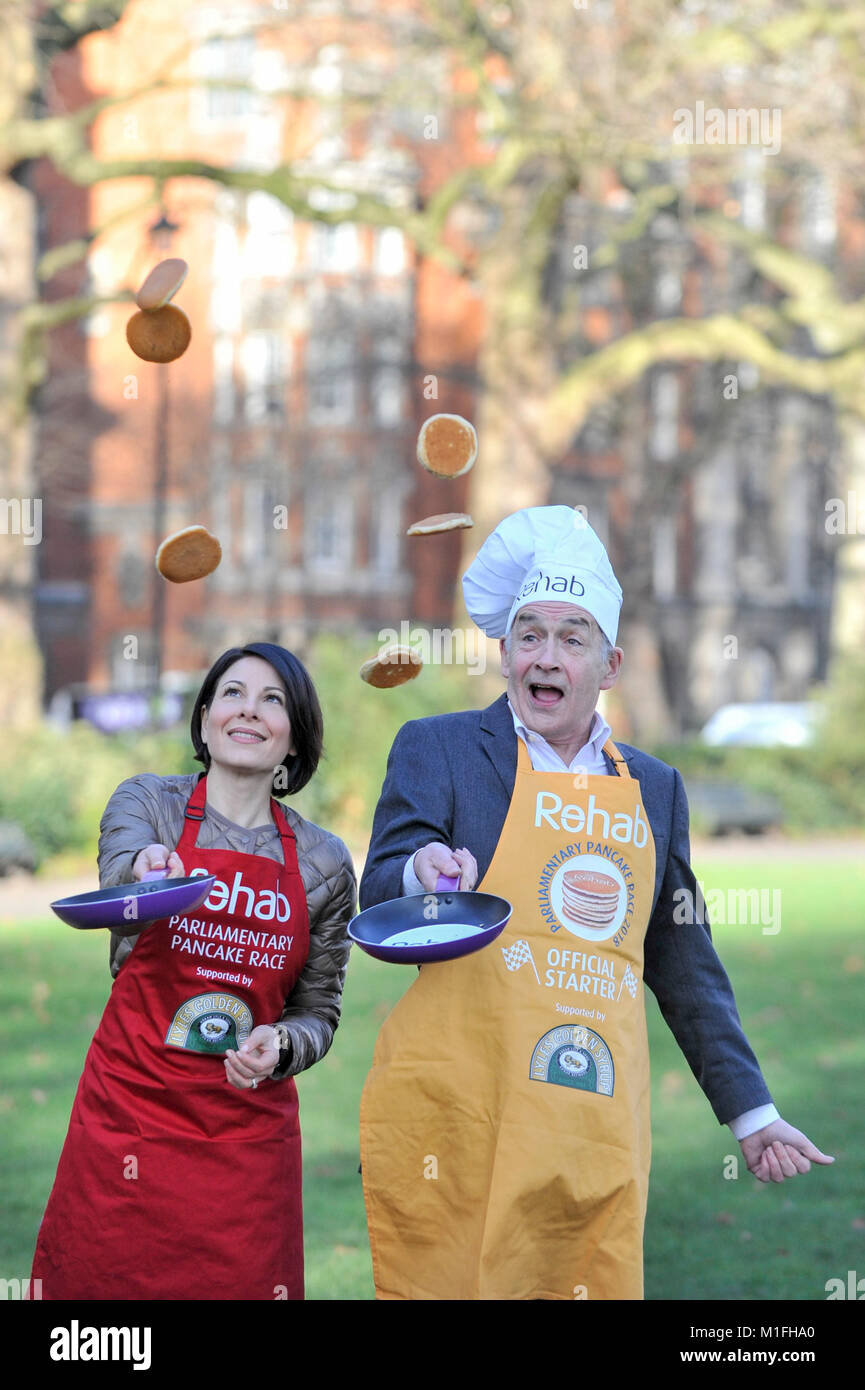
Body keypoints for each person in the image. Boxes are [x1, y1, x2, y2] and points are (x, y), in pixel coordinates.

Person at [358, 506, 833, 1301]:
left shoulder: (652, 787)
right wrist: (420, 873)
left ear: (607, 664)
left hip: (588, 1109)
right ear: (505, 651)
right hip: (460, 1103)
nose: (545, 656)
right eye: (530, 635)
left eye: (570, 639)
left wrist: (749, 1113)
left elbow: (682, 957)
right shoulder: (437, 748)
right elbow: (376, 892)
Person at [32, 642, 355, 1301]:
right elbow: (117, 885)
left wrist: (284, 1044)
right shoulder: (147, 804)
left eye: (273, 700)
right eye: (232, 693)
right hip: (131, 1117)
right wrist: (147, 874)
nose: (249, 711)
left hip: (244, 1144)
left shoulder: (323, 862)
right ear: (205, 717)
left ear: (294, 740)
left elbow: (318, 1009)